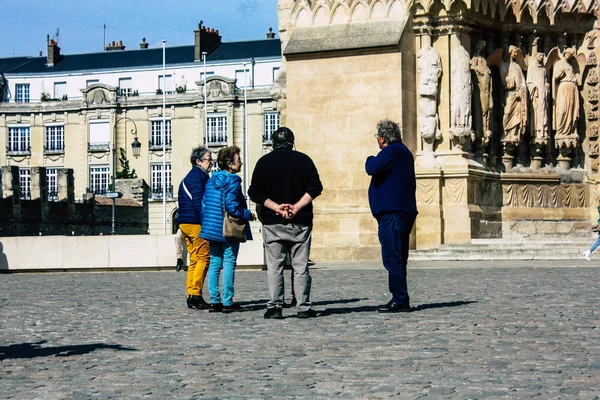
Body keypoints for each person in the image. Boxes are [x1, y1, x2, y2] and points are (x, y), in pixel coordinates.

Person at [248, 127, 323, 319]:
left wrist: (276, 208)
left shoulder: (264, 163)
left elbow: (254, 192)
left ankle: (275, 307)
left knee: (275, 267)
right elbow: (315, 188)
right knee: (300, 267)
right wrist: (296, 207)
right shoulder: (304, 160)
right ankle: (303, 307)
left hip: (273, 222)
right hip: (300, 222)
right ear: (292, 141)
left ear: (273, 143)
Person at [366, 119, 418, 313]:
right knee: (398, 256)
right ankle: (399, 296)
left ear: (382, 138)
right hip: (403, 211)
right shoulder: (404, 152)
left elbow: (371, 168)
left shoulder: (390, 152)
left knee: (392, 257)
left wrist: (370, 158)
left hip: (392, 213)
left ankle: (400, 299)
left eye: (377, 137)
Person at [201, 146, 255, 313]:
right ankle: (227, 300)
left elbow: (204, 205)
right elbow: (232, 207)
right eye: (238, 160)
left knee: (215, 263)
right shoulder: (232, 181)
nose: (241, 163)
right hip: (227, 228)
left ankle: (214, 300)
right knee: (229, 262)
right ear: (230, 164)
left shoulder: (211, 180)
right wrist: (248, 214)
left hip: (212, 227)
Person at [178, 146, 212, 310]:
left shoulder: (189, 176)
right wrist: (206, 226)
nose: (210, 162)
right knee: (204, 258)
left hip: (184, 222)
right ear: (198, 161)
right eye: (208, 159)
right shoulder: (198, 176)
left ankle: (190, 294)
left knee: (194, 259)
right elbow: (199, 203)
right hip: (195, 223)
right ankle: (196, 294)